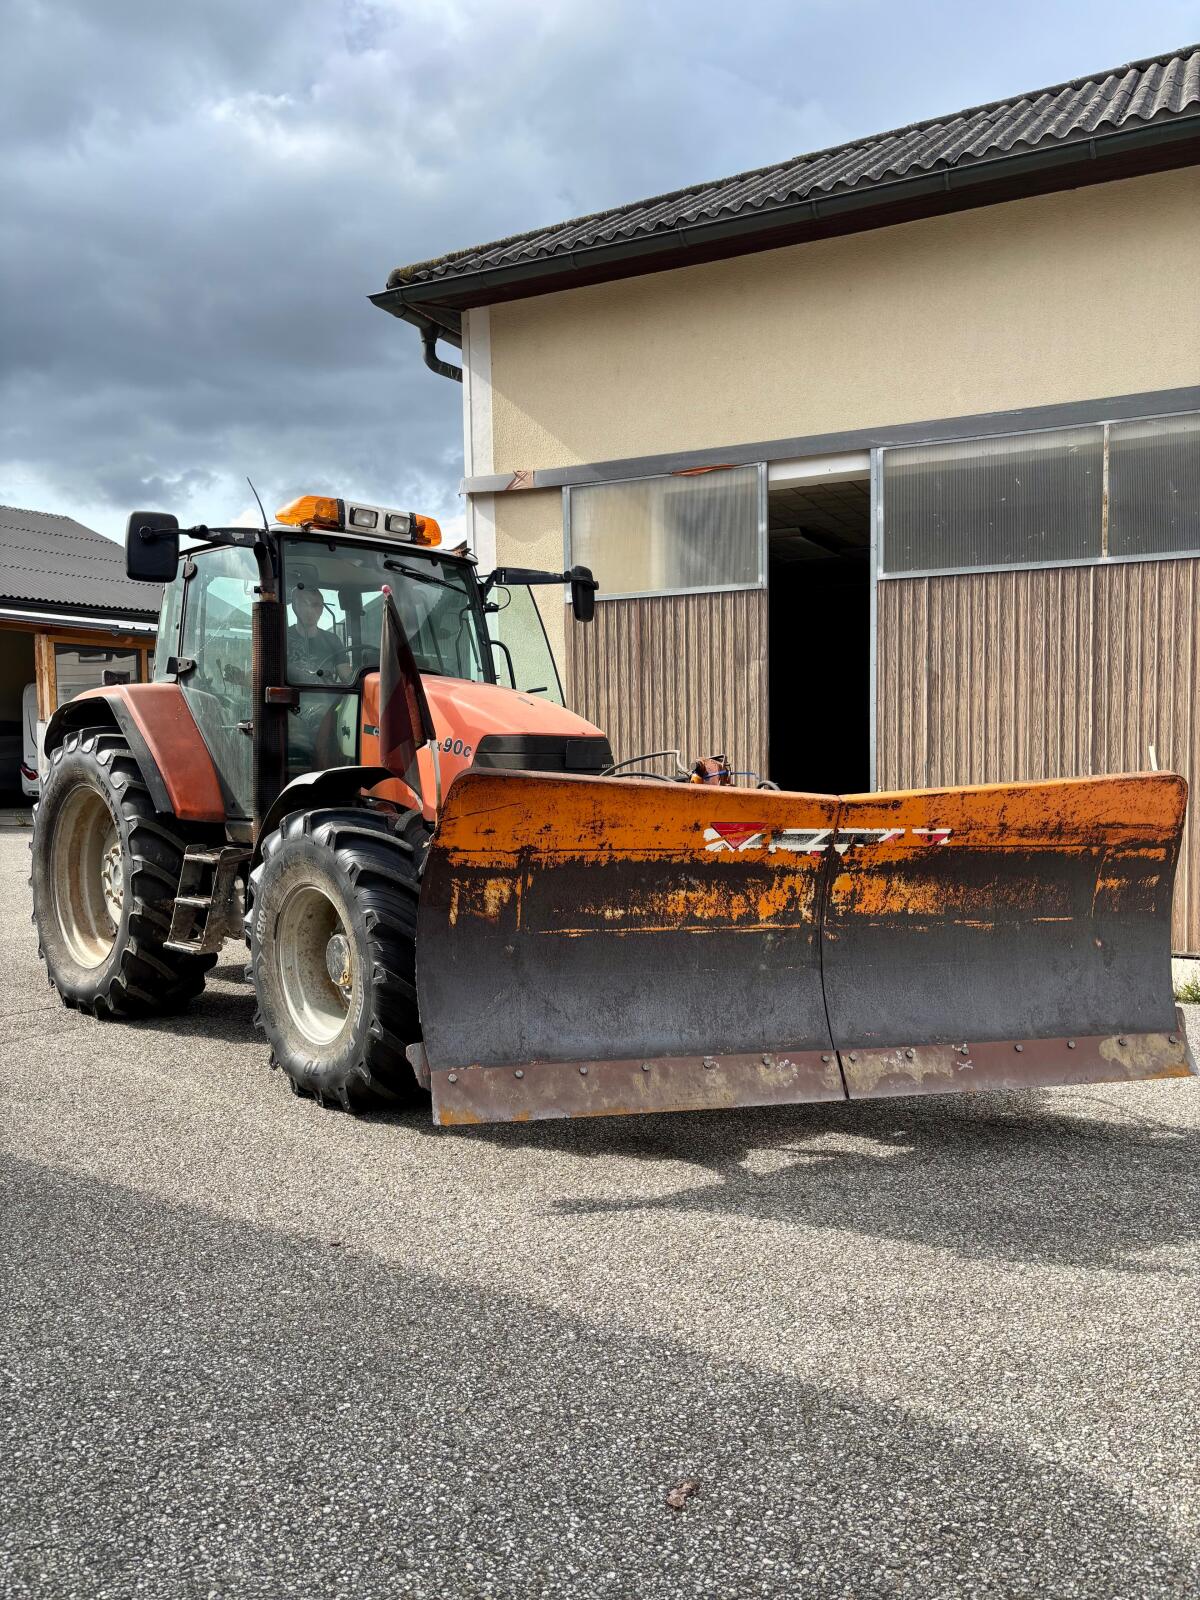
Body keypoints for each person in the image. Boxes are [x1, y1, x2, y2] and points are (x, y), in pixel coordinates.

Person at [287, 585, 350, 685]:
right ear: (295, 606)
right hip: (293, 698)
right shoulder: (282, 638)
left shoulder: (332, 640)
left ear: (322, 608)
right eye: (304, 604)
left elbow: (347, 676)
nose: (309, 610)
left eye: (315, 605)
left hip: (329, 698)